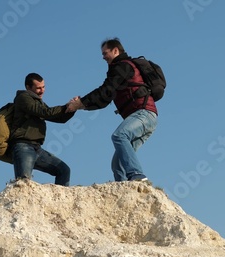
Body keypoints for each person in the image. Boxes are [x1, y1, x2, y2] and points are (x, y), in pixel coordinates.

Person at [66, 38, 158, 182]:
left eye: (105, 53)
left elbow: (105, 90)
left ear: (116, 50)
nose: (103, 57)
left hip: (144, 114)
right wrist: (82, 105)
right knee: (117, 164)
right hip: (145, 118)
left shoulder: (122, 67)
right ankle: (125, 191)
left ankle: (137, 175)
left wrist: (80, 102)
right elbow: (104, 99)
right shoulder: (118, 70)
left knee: (119, 136)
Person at [10, 73, 75, 186]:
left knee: (64, 170)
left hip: (37, 148)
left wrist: (73, 108)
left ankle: (59, 203)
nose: (42, 91)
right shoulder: (23, 98)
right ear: (28, 87)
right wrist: (66, 106)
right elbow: (45, 112)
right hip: (23, 146)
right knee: (23, 184)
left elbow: (58, 118)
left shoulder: (37, 101)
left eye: (43, 87)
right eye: (38, 88)